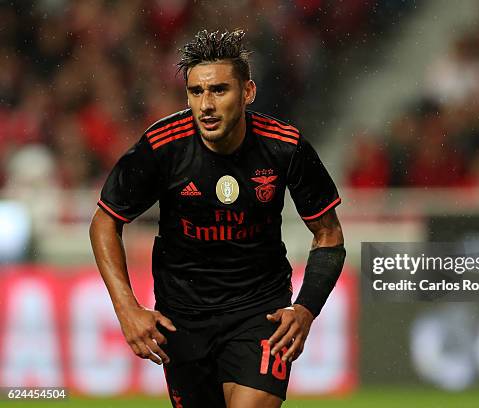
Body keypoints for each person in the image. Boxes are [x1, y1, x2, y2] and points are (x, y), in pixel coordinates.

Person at [89, 29, 345, 408]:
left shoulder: (284, 146)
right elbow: (104, 222)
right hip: (183, 317)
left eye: (219, 90)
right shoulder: (162, 146)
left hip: (260, 310)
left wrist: (306, 308)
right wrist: (126, 308)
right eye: (196, 92)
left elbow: (328, 233)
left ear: (248, 92)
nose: (206, 104)